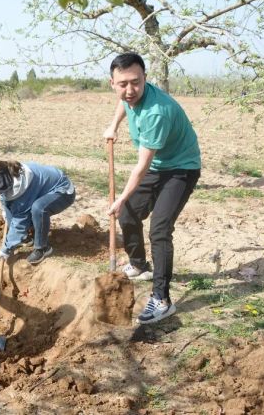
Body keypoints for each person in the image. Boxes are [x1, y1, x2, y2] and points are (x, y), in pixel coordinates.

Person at [103, 52, 201, 324]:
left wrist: (121, 197)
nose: (130, 89)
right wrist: (114, 126)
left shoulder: (156, 112)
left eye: (136, 82)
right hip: (158, 165)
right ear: (112, 83)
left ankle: (162, 299)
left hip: (181, 168)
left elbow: (141, 167)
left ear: (145, 78)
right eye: (122, 84)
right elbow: (125, 103)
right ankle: (138, 264)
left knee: (159, 229)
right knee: (128, 215)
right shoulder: (128, 95)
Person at [0, 160, 75, 265]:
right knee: (18, 209)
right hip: (42, 190)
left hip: (63, 191)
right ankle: (24, 238)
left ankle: (42, 248)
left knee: (38, 208)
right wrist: (6, 213)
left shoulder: (20, 186)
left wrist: (6, 249)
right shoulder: (8, 177)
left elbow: (19, 222)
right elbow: (7, 202)